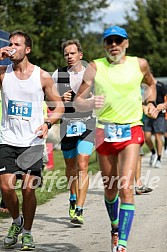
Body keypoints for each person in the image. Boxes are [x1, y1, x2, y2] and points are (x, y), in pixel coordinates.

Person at [74, 25, 158, 251]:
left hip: (132, 129)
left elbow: (151, 84)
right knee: (110, 190)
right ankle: (114, 226)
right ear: (104, 45)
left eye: (118, 41)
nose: (114, 45)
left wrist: (150, 103)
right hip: (104, 131)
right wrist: (90, 102)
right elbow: (78, 101)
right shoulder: (94, 67)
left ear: (126, 43)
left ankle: (121, 244)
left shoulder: (139, 64)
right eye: (109, 41)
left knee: (125, 187)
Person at [0, 30, 64, 250]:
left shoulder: (42, 76)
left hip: (33, 142)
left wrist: (47, 124)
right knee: (6, 188)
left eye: (17, 44)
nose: (11, 48)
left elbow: (60, 106)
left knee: (29, 189)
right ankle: (16, 222)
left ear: (27, 49)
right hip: (7, 139)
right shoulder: (3, 73)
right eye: (10, 44)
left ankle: (27, 232)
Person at [52, 39, 95, 225]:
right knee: (70, 168)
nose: (69, 57)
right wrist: (60, 98)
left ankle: (79, 209)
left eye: (72, 53)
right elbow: (51, 100)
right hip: (67, 124)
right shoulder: (58, 74)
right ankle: (72, 196)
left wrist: (92, 99)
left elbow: (103, 97)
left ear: (80, 55)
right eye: (66, 54)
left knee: (83, 164)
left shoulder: (90, 74)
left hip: (87, 124)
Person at [143, 81, 167, 168]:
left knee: (158, 136)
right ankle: (153, 152)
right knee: (147, 137)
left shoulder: (161, 85)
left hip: (160, 114)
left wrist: (163, 106)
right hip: (148, 114)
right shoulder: (144, 86)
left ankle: (159, 159)